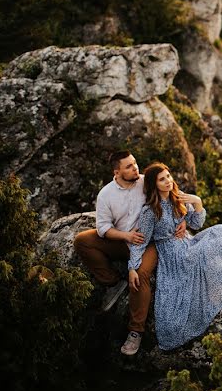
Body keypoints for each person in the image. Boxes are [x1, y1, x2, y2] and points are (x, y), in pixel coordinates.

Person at [129, 162, 222, 351]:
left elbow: (196, 223)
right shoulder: (150, 211)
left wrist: (197, 202)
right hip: (174, 256)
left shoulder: (179, 198)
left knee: (221, 230)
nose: (168, 181)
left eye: (168, 176)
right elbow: (141, 242)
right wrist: (132, 267)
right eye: (162, 179)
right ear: (154, 185)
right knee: (220, 240)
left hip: (189, 243)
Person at [73, 151, 186, 356]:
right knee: (83, 240)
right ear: (117, 172)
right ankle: (113, 281)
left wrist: (182, 217)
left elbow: (172, 193)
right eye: (129, 166)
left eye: (135, 164)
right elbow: (103, 228)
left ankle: (135, 332)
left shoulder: (145, 182)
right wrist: (125, 236)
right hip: (123, 240)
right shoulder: (106, 194)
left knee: (141, 274)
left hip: (148, 242)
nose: (135, 168)